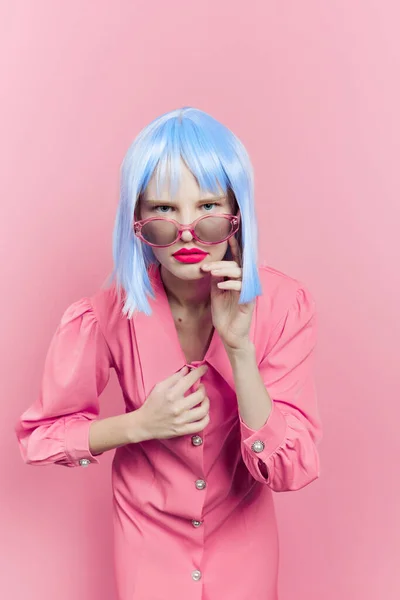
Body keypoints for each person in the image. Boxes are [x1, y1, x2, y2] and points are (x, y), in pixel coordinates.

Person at [15, 107, 323, 600]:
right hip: (145, 544)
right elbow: (41, 437)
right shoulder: (106, 315)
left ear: (236, 213)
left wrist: (240, 351)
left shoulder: (284, 306)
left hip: (243, 542)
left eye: (206, 206)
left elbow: (292, 469)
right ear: (136, 220)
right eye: (162, 209)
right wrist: (139, 424)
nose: (185, 231)